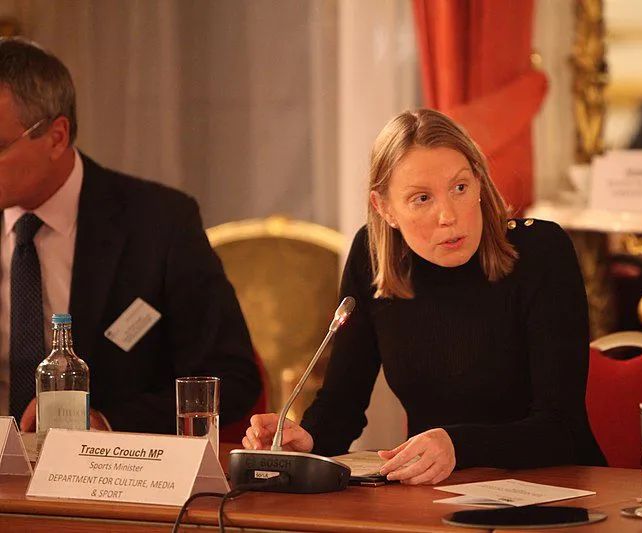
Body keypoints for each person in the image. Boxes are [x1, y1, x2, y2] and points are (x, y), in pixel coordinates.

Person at [243, 109, 606, 485]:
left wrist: (458, 445)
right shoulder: (372, 257)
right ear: (384, 208)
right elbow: (342, 405)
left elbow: (560, 429)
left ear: (479, 182)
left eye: (460, 188)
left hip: (556, 489)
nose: (448, 215)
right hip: (435, 494)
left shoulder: (540, 251)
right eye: (421, 198)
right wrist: (309, 439)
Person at [0, 37, 261, 433]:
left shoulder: (160, 224)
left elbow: (230, 378)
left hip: (111, 463)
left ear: (56, 137)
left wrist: (107, 423)